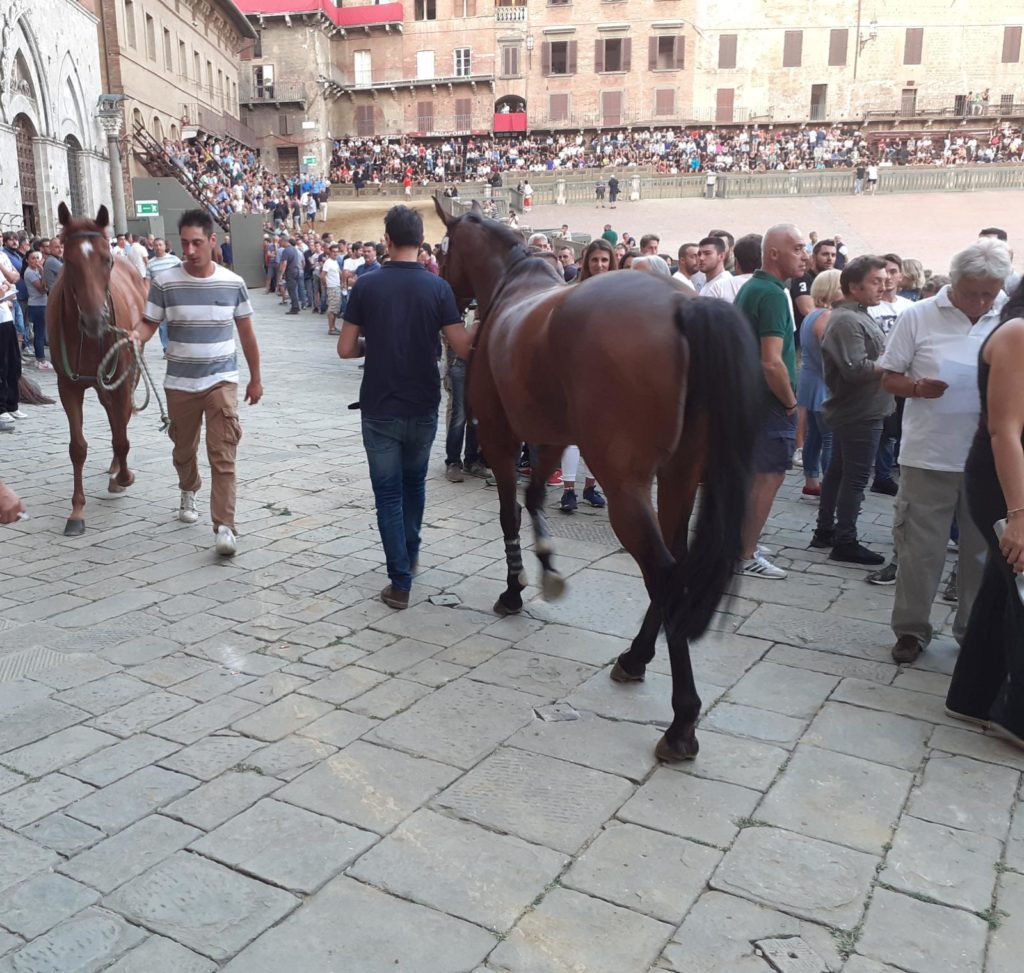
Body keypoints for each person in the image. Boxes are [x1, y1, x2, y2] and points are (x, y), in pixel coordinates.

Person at [878, 238, 1012, 663]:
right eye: (971, 291)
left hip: (988, 459)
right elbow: (888, 376)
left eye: (988, 292)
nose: (980, 300)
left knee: (980, 552)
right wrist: (917, 387)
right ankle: (911, 631)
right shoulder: (919, 315)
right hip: (928, 453)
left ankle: (972, 632)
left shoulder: (1008, 317)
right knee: (919, 549)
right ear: (953, 283)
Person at [338, 205, 470, 609]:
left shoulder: (366, 285)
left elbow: (345, 349)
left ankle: (399, 583)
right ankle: (409, 556)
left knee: (388, 495)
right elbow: (463, 346)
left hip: (379, 405)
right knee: (414, 487)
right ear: (420, 240)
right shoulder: (438, 287)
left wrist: (372, 344)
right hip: (424, 402)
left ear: (387, 239)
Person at [131, 209, 263, 558]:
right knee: (183, 449)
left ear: (212, 241)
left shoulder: (232, 283)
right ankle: (188, 487)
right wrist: (136, 337)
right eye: (185, 243)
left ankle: (225, 526)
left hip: (221, 381)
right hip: (179, 383)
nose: (190, 250)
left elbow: (247, 334)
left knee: (223, 455)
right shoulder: (165, 282)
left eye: (197, 243)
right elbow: (149, 322)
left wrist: (256, 380)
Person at [945, 282, 1024, 745]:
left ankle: (971, 697)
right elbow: (1004, 431)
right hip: (1005, 480)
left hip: (1008, 476)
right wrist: (1018, 514)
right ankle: (1018, 718)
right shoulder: (1017, 333)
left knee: (1003, 587)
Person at [733, 223, 807, 579]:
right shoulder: (774, 295)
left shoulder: (753, 287)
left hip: (748, 397)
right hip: (769, 401)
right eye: (797, 248)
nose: (803, 255)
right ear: (774, 253)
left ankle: (742, 542)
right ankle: (745, 554)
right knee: (769, 477)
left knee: (754, 477)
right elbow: (771, 360)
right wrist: (791, 402)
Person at [811, 256, 893, 564]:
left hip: (861, 407)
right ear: (853, 287)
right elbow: (855, 369)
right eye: (876, 281)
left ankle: (826, 531)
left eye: (884, 281)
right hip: (860, 410)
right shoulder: (847, 319)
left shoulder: (858, 315)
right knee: (855, 477)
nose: (882, 287)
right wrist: (892, 361)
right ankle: (844, 539)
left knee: (839, 471)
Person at [796, 269, 840, 499]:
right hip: (823, 384)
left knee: (815, 436)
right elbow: (830, 354)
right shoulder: (825, 316)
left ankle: (811, 483)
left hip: (811, 382)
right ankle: (828, 487)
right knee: (829, 437)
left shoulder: (813, 314)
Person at [145, 239, 183, 355]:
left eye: (160, 245)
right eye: (155, 245)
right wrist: (148, 295)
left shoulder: (174, 260)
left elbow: (183, 274)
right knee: (162, 325)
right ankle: (167, 348)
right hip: (159, 297)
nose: (158, 247)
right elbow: (147, 281)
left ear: (165, 246)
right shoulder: (150, 263)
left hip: (174, 295)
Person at [23, 251, 50, 370]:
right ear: (27, 260)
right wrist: (43, 272)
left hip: (42, 303)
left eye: (38, 258)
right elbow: (42, 289)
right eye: (33, 258)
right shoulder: (29, 272)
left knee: (41, 331)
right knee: (39, 332)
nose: (36, 261)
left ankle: (41, 358)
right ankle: (40, 359)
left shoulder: (36, 271)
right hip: (37, 305)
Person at [698, 236, 737, 300]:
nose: (701, 258)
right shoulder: (708, 282)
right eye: (699, 254)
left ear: (721, 256)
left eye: (707, 253)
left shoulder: (724, 285)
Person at [321, 242, 343, 335]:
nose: (335, 253)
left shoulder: (335, 261)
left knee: (335, 308)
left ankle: (333, 326)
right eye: (333, 251)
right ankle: (331, 328)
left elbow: (339, 273)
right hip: (332, 287)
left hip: (336, 286)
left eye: (337, 252)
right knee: (332, 308)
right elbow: (322, 275)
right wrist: (326, 285)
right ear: (330, 252)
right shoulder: (328, 262)